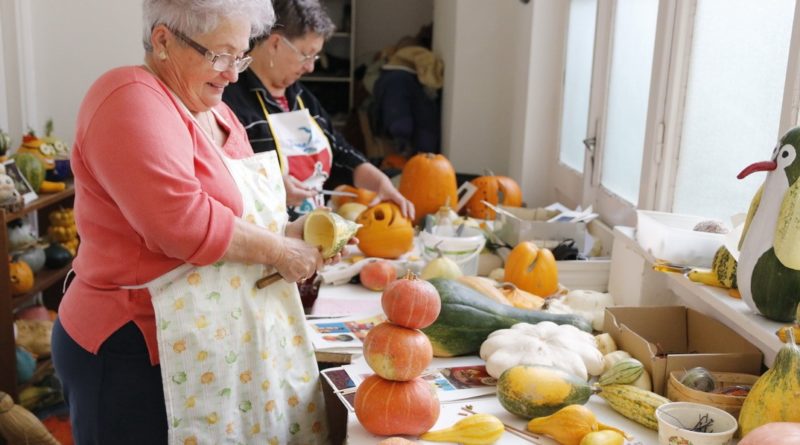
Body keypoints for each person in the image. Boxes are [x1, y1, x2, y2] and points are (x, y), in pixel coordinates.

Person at [51, 1, 340, 443]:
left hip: (205, 345)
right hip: (131, 346)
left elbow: (241, 220)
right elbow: (180, 222)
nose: (234, 74)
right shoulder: (127, 98)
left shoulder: (218, 112)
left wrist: (295, 234)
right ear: (163, 40)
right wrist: (281, 251)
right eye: (221, 56)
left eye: (241, 57)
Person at [222, 0, 414, 220]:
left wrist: (380, 183)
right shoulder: (230, 100)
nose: (311, 67)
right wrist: (272, 187)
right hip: (266, 232)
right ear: (275, 43)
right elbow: (225, 173)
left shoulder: (301, 97)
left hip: (313, 226)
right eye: (307, 54)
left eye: (315, 57)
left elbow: (339, 150)